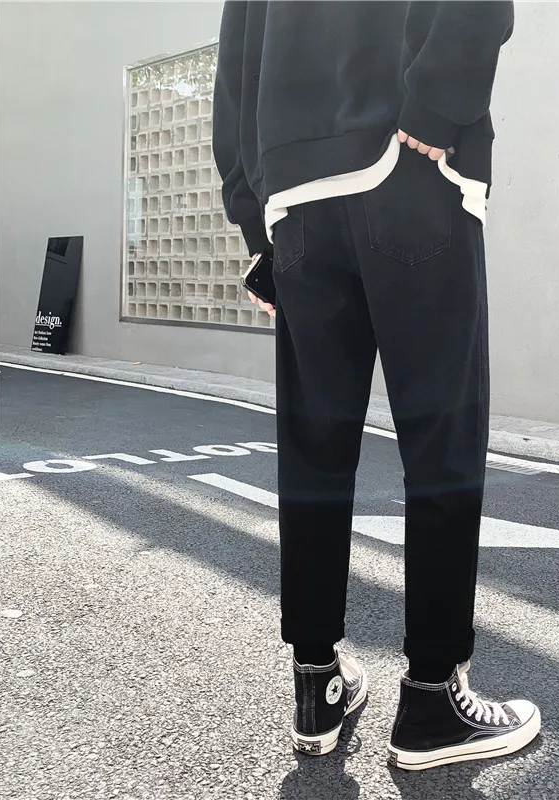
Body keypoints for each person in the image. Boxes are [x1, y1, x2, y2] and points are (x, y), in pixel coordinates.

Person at [213, 0, 541, 770]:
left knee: (314, 449)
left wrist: (256, 214)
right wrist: (441, 101)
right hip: (405, 159)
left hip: (296, 192)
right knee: (440, 444)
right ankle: (431, 703)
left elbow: (236, 60)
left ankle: (317, 683)